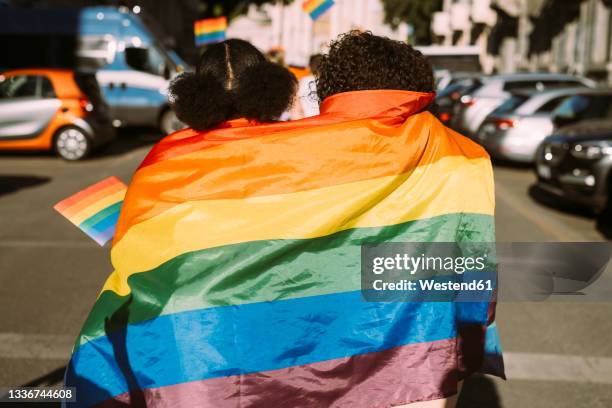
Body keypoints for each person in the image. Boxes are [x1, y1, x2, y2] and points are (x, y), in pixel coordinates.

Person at [64, 33, 503, 408]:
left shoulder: (167, 159)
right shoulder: (449, 155)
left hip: (192, 357)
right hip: (390, 366)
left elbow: (137, 256)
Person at [294, 53, 323, 118]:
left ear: (309, 67)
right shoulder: (326, 81)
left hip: (306, 120)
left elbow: (296, 106)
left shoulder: (301, 81)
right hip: (323, 120)